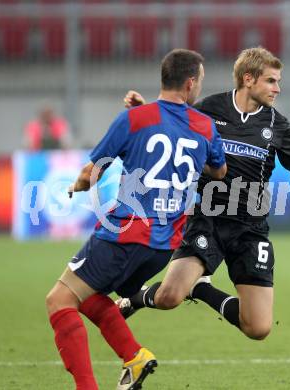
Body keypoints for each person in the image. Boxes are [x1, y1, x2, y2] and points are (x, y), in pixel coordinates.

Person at [117, 47, 290, 342]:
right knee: (169, 297)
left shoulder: (276, 124)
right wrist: (144, 111)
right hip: (208, 219)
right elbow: (172, 125)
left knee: (258, 328)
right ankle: (132, 300)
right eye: (271, 81)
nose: (277, 88)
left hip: (250, 229)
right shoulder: (210, 108)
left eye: (278, 81)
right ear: (248, 79)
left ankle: (200, 288)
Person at [45, 48, 226, 390]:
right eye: (200, 81)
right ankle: (135, 357)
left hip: (126, 234)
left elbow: (91, 172)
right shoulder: (204, 126)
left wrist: (77, 186)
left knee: (59, 299)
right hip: (163, 247)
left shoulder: (135, 119)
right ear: (190, 83)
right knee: (90, 297)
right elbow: (218, 171)